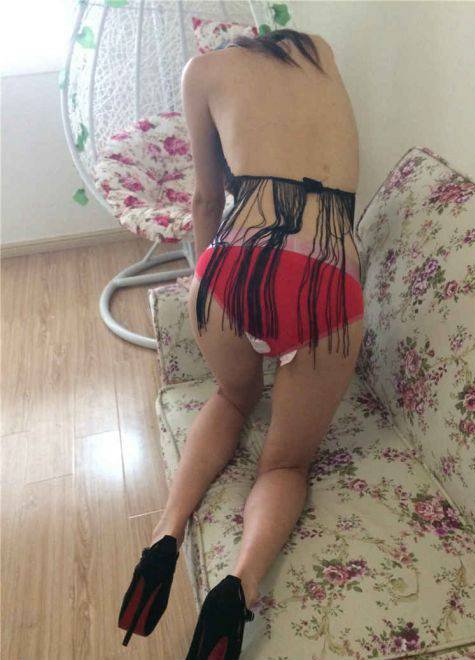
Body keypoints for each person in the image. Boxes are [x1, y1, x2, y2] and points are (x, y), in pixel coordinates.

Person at [117, 28, 364, 657]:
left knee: (232, 397)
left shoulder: (201, 71)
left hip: (234, 266)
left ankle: (165, 536)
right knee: (284, 464)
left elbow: (207, 198)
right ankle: (237, 586)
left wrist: (203, 278)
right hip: (325, 278)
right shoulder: (318, 48)